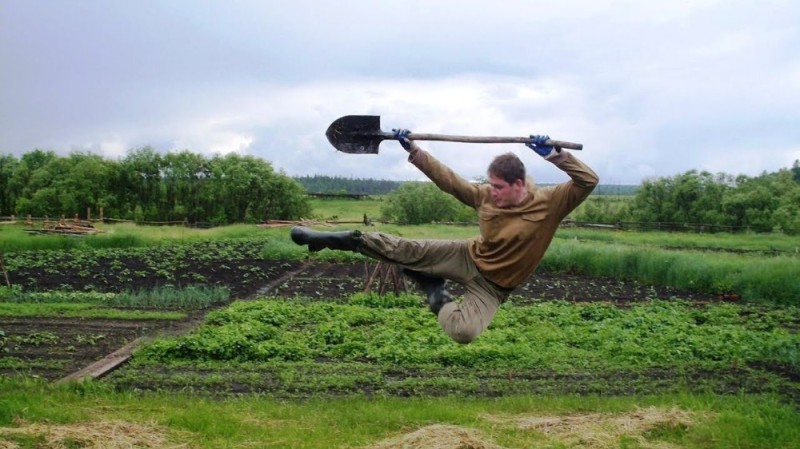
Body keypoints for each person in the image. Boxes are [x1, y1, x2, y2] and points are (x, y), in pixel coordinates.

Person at [291, 129, 598, 344]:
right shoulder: (484, 196)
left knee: (464, 333)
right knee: (405, 250)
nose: (492, 192)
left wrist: (556, 156)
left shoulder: (551, 203)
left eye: (499, 187)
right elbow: (449, 181)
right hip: (466, 256)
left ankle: (435, 292)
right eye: (490, 185)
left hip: (494, 287)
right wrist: (414, 150)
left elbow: (588, 180)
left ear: (519, 185)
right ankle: (329, 238)